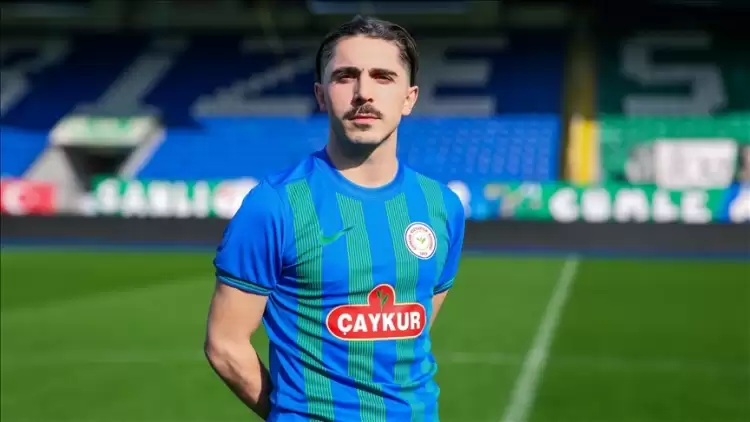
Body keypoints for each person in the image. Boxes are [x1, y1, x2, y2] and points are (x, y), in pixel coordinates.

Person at [204, 15, 465, 421]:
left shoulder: (442, 206)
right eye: (345, 77)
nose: (364, 93)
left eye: (383, 77)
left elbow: (414, 330)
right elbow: (225, 344)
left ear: (409, 97)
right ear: (321, 95)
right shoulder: (274, 205)